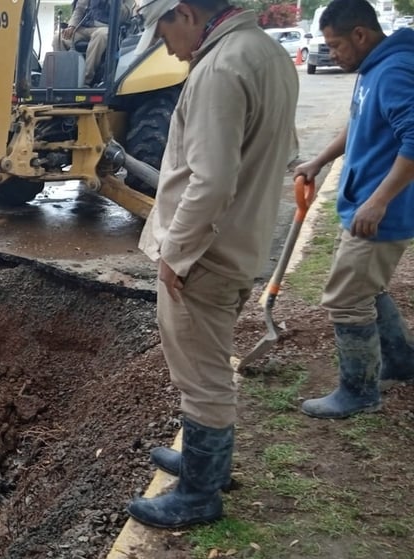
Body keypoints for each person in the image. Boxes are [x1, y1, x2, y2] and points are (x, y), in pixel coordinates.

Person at [128, 0, 299, 529]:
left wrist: (175, 254)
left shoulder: (220, 69)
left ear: (184, 13)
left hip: (206, 253)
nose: (167, 49)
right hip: (238, 239)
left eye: (164, 33)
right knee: (206, 361)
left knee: (201, 372)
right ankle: (207, 460)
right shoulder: (264, 53)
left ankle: (200, 493)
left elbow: (211, 181)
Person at [294, 0, 414, 420]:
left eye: (336, 44)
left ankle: (359, 392)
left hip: (381, 211)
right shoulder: (373, 69)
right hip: (368, 203)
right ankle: (401, 363)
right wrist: (319, 160)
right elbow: (359, 121)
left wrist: (379, 201)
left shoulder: (395, 69)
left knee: (345, 298)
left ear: (360, 34)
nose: (332, 53)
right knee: (368, 289)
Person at [52, 0, 133, 85]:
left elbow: (124, 16)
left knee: (100, 36)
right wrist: (72, 26)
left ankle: (85, 80)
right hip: (84, 27)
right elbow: (79, 9)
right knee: (58, 39)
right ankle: (64, 78)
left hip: (106, 28)